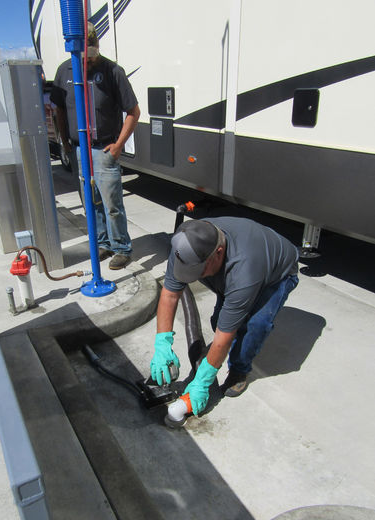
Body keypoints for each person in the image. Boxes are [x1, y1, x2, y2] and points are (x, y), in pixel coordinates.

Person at [150, 217, 299, 416]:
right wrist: (162, 344)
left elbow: (224, 335)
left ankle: (239, 370)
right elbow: (169, 295)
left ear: (218, 253)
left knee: (255, 325)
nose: (193, 275)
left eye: (197, 270)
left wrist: (203, 382)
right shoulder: (186, 245)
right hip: (246, 262)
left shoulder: (243, 271)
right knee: (222, 320)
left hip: (278, 273)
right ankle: (221, 353)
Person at [50, 22, 140, 270]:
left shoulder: (112, 71)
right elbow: (58, 108)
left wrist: (119, 144)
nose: (88, 63)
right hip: (79, 150)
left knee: (112, 203)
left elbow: (133, 111)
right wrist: (64, 141)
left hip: (104, 149)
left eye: (92, 57)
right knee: (91, 202)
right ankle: (103, 243)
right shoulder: (65, 70)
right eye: (84, 58)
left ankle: (121, 247)